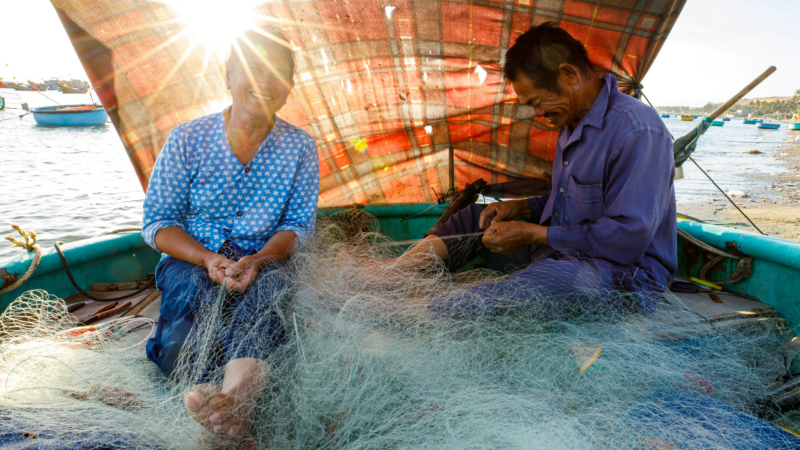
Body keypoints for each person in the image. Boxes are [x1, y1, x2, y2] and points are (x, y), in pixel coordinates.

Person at [362, 22, 676, 321]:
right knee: (478, 217)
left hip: (627, 276)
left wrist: (532, 233)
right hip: (561, 252)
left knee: (553, 280)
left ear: (568, 74)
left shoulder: (639, 131)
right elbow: (568, 201)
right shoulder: (571, 124)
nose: (537, 114)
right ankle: (392, 275)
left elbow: (627, 239)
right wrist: (521, 207)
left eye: (537, 102)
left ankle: (421, 312)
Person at [141, 28, 319, 445]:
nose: (265, 83)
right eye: (254, 69)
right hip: (191, 257)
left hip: (265, 258)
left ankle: (235, 399)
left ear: (289, 86)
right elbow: (157, 223)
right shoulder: (187, 138)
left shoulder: (300, 147)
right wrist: (206, 258)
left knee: (269, 293)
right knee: (190, 303)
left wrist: (257, 261)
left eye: (279, 74)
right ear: (228, 74)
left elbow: (296, 226)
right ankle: (213, 398)